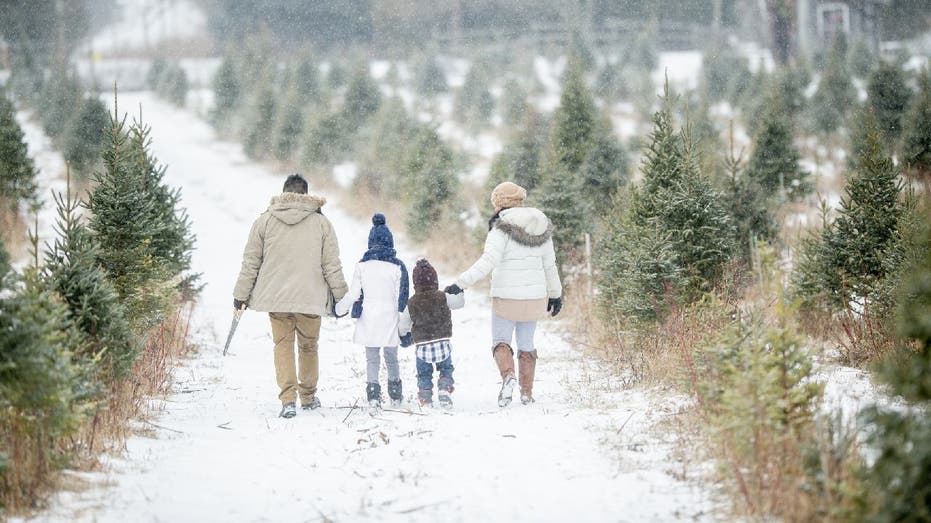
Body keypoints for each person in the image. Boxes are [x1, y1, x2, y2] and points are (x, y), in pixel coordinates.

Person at [233, 174, 348, 419]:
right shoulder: (321, 223)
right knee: (308, 346)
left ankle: (287, 400)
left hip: (278, 297)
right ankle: (307, 396)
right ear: (306, 195)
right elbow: (331, 265)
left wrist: (240, 295)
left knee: (282, 345)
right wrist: (342, 297)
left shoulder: (265, 221)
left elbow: (251, 262)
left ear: (284, 192)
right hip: (310, 296)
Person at [445, 181, 562, 407]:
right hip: (534, 298)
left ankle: (508, 377)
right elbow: (550, 265)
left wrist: (461, 283)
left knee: (501, 341)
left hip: (506, 298)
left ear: (499, 203)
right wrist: (556, 294)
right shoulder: (541, 225)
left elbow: (487, 262)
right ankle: (526, 393)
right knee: (526, 344)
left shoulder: (501, 227)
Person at [336, 214, 409, 409]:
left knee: (372, 358)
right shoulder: (397, 266)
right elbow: (401, 297)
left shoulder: (362, 266)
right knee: (392, 358)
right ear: (390, 242)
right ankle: (395, 395)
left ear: (370, 242)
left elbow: (353, 294)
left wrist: (339, 309)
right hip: (390, 318)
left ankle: (373, 396)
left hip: (369, 317)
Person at [399, 258, 464, 409]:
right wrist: (458, 291)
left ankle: (425, 396)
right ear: (435, 279)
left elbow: (403, 326)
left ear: (415, 283)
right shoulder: (442, 296)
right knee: (446, 368)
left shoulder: (412, 302)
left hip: (422, 347)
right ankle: (444, 388)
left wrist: (403, 335)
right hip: (442, 343)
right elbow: (459, 303)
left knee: (424, 373)